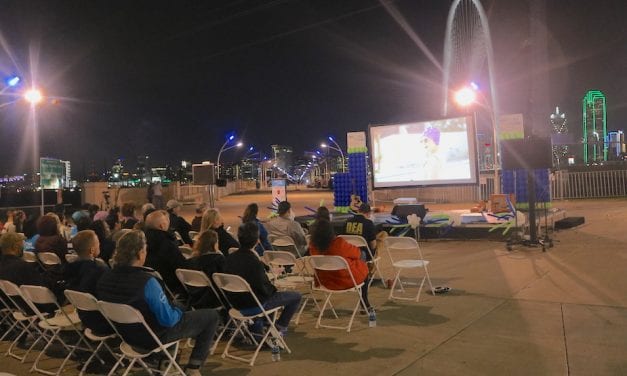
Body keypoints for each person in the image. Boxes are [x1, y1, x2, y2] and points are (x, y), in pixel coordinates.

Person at [96, 230, 218, 376]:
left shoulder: (104, 278)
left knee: (176, 304)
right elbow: (168, 320)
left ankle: (167, 359)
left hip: (127, 335)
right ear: (140, 254)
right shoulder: (147, 282)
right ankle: (193, 367)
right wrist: (179, 312)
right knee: (211, 316)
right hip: (153, 336)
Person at [225, 222, 301, 337]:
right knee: (296, 296)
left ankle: (265, 324)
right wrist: (273, 287)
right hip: (254, 305)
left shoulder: (229, 258)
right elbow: (264, 289)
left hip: (236, 304)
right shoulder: (254, 262)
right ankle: (279, 327)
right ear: (257, 241)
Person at [308, 217, 371, 310]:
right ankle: (364, 302)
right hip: (344, 280)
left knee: (355, 259)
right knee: (363, 258)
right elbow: (357, 253)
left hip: (325, 281)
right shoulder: (339, 243)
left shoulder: (313, 246)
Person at [64, 230, 112, 335]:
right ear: (92, 250)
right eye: (98, 243)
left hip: (84, 316)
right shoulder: (99, 270)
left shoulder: (70, 268)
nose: (100, 245)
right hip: (104, 321)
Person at [0, 232, 56, 314]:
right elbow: (40, 289)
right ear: (15, 247)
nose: (23, 247)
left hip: (13, 306)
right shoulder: (22, 267)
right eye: (21, 244)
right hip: (34, 308)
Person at [143, 210, 187, 295]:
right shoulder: (166, 243)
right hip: (173, 284)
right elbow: (181, 266)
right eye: (166, 220)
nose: (168, 222)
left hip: (155, 284)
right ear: (161, 226)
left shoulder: (143, 241)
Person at [185, 229, 226, 309]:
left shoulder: (190, 261)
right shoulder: (218, 259)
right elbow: (225, 280)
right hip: (214, 299)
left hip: (196, 298)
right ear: (214, 244)